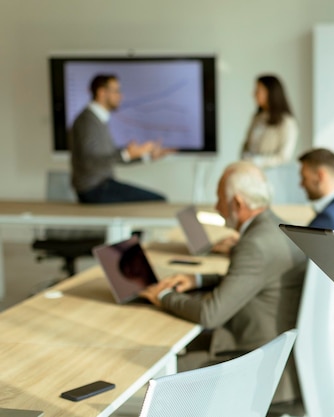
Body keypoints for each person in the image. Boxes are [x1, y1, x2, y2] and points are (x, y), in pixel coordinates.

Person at [139, 160, 307, 403]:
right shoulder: (275, 226)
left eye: (219, 199)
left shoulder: (255, 244)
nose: (217, 208)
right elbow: (250, 281)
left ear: (237, 203)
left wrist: (162, 296)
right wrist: (198, 280)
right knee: (174, 349)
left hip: (254, 363)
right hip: (269, 349)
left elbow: (210, 314)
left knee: (154, 368)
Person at [70, 74, 174, 203]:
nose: (121, 96)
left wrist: (147, 156)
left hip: (102, 185)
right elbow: (90, 163)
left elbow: (110, 157)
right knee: (158, 201)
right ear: (102, 92)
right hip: (93, 189)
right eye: (116, 91)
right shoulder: (88, 121)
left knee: (158, 199)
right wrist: (127, 154)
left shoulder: (98, 120)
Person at [240, 74, 298, 168]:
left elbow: (284, 156)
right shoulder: (257, 117)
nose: (254, 94)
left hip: (271, 174)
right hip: (250, 171)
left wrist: (256, 161)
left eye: (258, 90)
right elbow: (246, 145)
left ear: (270, 92)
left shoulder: (286, 122)